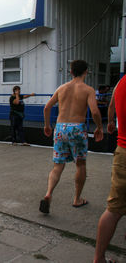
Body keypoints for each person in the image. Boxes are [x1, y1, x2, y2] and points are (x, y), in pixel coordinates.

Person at [39, 60, 103, 214]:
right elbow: (94, 112)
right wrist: (100, 127)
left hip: (60, 128)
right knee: (80, 164)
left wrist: (47, 125)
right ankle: (77, 199)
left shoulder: (62, 88)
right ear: (86, 71)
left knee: (58, 165)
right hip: (77, 128)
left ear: (71, 72)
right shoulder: (88, 90)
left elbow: (47, 107)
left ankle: (48, 194)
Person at [93, 76, 126, 263]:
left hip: (123, 150)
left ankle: (99, 258)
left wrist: (110, 123)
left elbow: (111, 106)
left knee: (114, 208)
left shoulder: (121, 83)